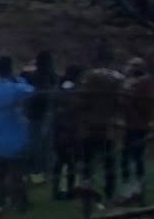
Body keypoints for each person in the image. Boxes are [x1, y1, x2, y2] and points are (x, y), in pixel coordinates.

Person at [0, 55, 35, 215]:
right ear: (10, 70)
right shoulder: (16, 89)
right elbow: (31, 90)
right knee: (17, 176)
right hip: (16, 141)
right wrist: (19, 78)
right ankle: (19, 203)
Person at [78, 43, 125, 201]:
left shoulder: (89, 77)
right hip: (109, 126)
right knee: (109, 161)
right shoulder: (118, 77)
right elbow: (121, 102)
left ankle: (87, 189)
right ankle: (110, 192)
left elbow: (83, 101)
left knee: (88, 160)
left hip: (90, 125)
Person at [21, 50, 59, 182]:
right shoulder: (53, 76)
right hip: (48, 114)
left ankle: (28, 173)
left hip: (32, 114)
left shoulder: (31, 76)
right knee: (47, 146)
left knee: (31, 145)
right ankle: (47, 173)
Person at [121, 57, 153, 202]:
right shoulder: (136, 82)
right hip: (132, 125)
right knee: (130, 159)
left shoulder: (141, 83)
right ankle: (132, 191)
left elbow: (139, 104)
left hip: (137, 126)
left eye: (133, 66)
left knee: (133, 159)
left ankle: (135, 192)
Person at [52, 65, 84, 201]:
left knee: (59, 162)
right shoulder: (75, 91)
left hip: (58, 130)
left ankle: (56, 190)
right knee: (70, 162)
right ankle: (70, 191)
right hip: (70, 131)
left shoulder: (59, 88)